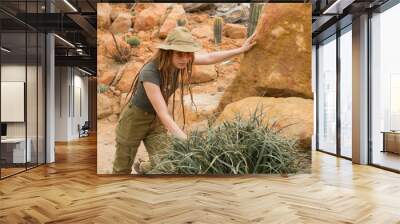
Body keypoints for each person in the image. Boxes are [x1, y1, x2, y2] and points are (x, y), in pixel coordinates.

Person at [112, 26, 257, 174]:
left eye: (188, 55)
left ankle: (143, 168)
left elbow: (209, 58)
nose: (185, 59)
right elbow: (163, 113)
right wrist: (187, 141)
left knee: (169, 165)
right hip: (134, 121)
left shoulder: (181, 61)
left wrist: (240, 50)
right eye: (180, 55)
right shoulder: (149, 73)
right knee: (121, 168)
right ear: (168, 53)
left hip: (155, 123)